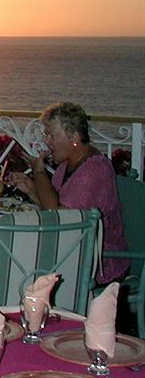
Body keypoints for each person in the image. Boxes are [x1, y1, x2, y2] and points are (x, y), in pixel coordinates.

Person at [7, 101, 128, 283]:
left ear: (74, 137)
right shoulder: (67, 165)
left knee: (15, 254)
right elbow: (60, 209)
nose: (46, 141)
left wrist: (39, 172)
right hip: (71, 249)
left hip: (96, 260)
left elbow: (56, 216)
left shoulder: (94, 170)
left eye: (51, 135)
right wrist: (32, 190)